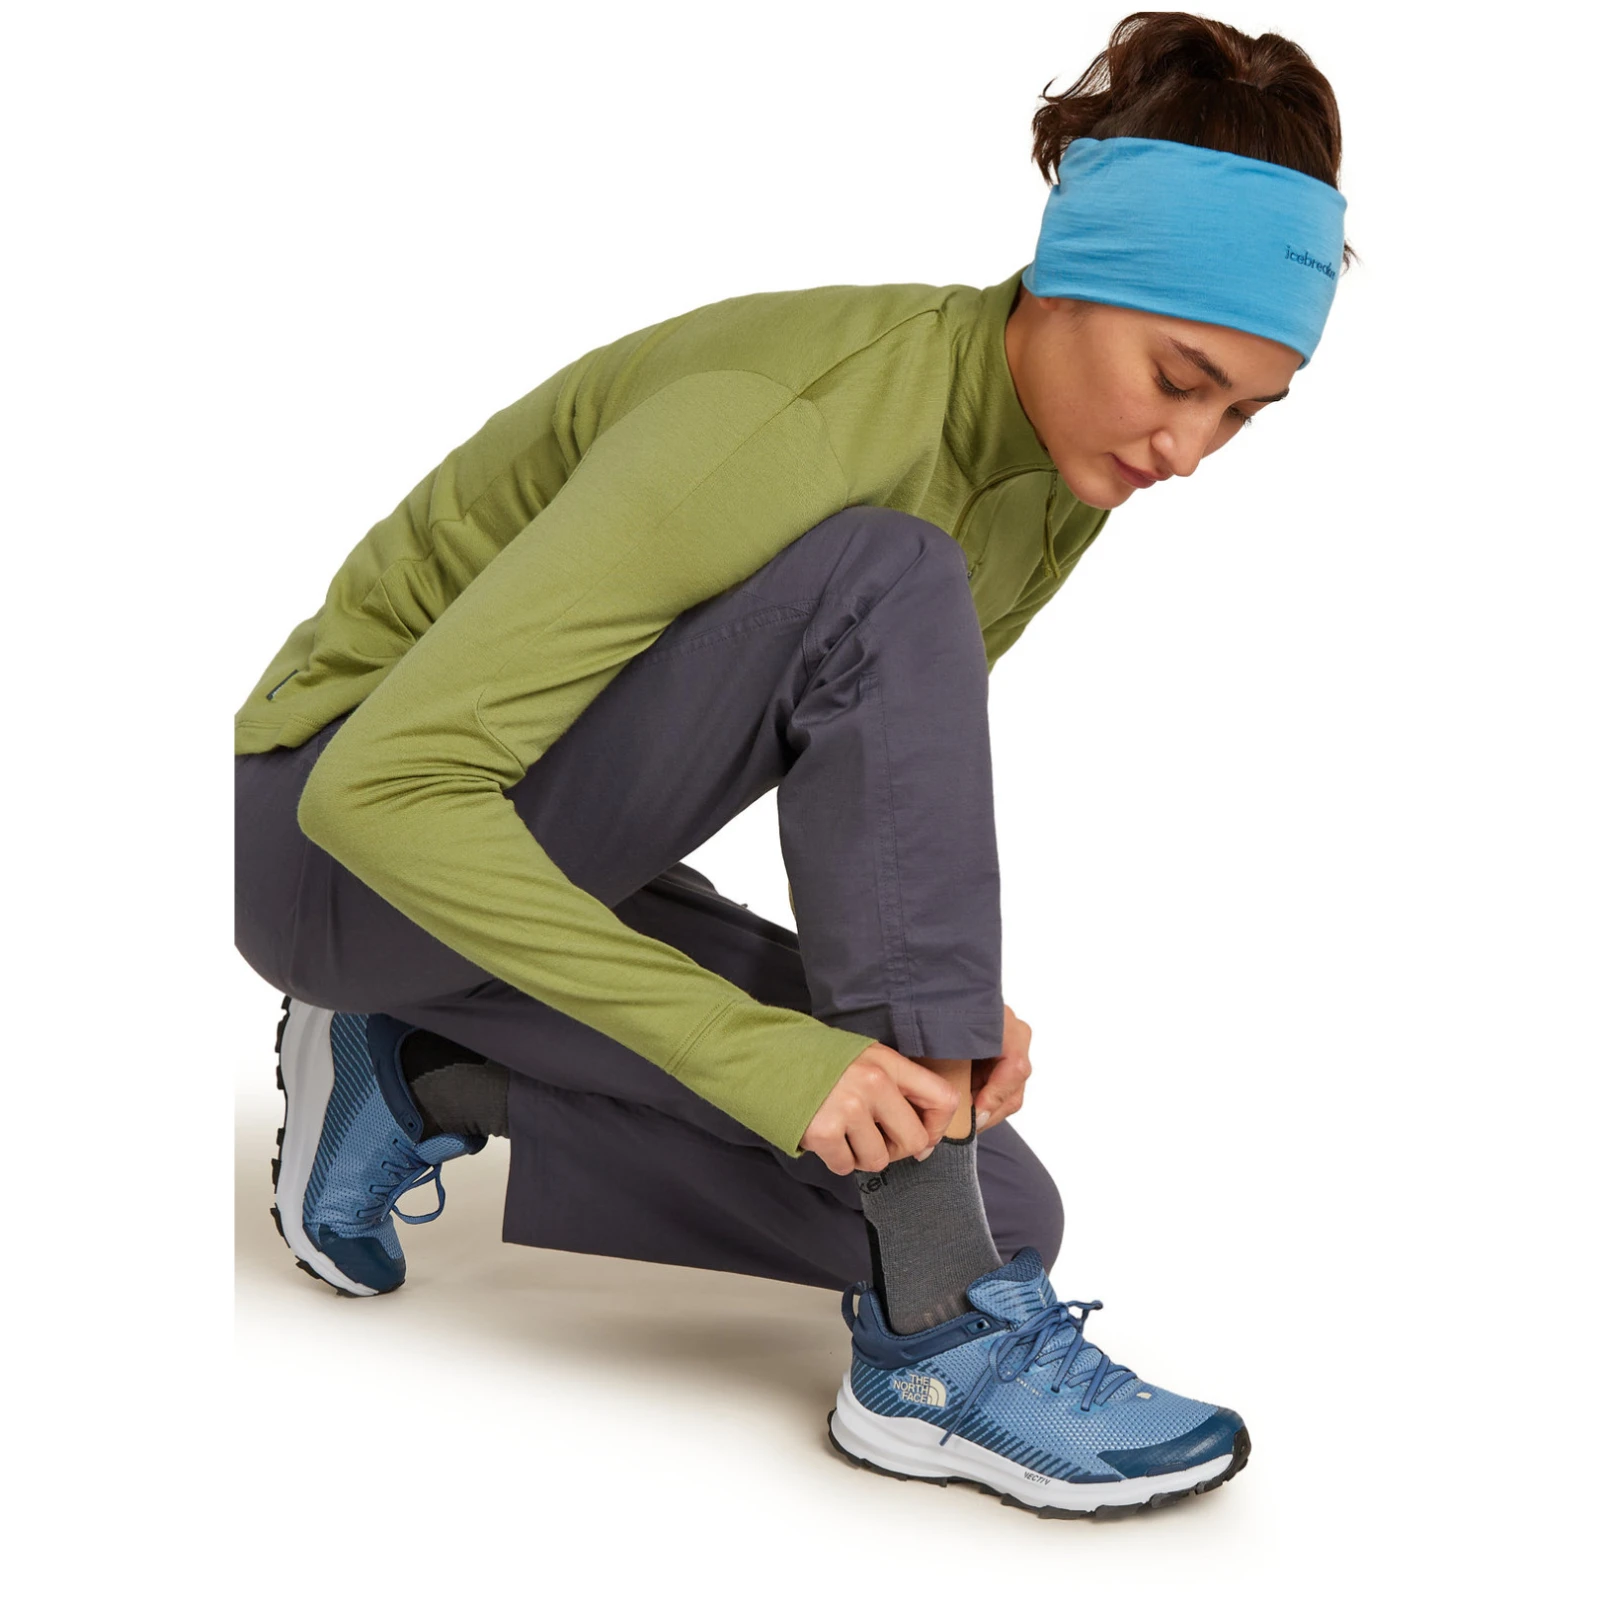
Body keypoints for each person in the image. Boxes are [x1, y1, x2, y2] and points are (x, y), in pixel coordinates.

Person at [234, 10, 1354, 1518]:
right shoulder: (799, 418)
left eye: (1241, 414)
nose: (1191, 451)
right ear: (1071, 274)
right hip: (325, 852)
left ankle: (418, 1069)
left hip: (546, 850)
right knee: (886, 581)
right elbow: (380, 791)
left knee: (991, 1200)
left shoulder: (1052, 483)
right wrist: (751, 1045)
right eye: (1177, 376)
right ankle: (933, 1356)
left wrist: (932, 1018)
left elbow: (877, 790)